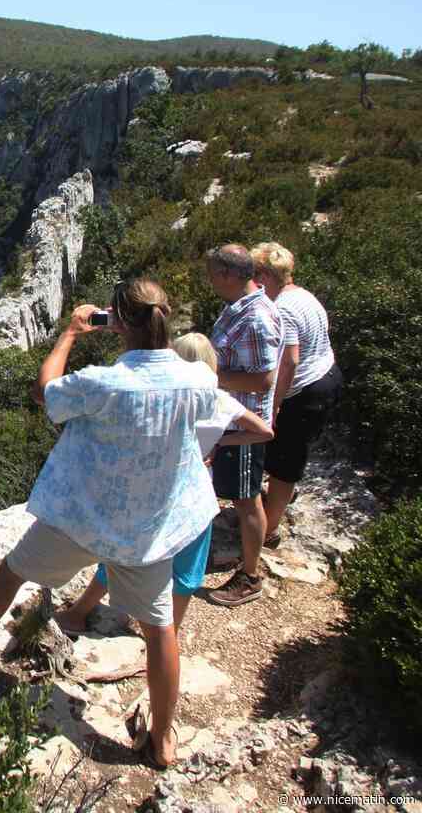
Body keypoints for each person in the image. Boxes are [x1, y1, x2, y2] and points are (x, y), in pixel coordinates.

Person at [0, 279, 219, 770]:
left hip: (83, 517)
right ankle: (163, 739)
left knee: (12, 573)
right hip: (148, 530)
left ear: (117, 322)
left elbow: (45, 392)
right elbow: (202, 403)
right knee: (159, 629)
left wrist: (70, 334)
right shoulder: (197, 380)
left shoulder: (102, 383)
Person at [54, 333, 274, 636]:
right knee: (185, 573)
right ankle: (168, 639)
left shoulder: (164, 399)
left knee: (121, 559)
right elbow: (264, 432)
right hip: (196, 503)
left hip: (152, 495)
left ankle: (77, 614)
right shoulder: (218, 400)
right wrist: (221, 442)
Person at [203, 245, 281, 608]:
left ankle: (250, 576)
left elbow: (264, 381)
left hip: (244, 424)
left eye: (213, 274)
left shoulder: (256, 319)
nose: (210, 281)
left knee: (247, 500)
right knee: (240, 494)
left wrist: (210, 376)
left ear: (229, 275)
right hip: (232, 419)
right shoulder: (239, 308)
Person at [250, 242, 342, 544]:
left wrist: (274, 404)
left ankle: (269, 530)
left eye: (254, 275)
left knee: (285, 463)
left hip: (304, 392)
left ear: (265, 276)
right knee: (288, 453)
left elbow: (289, 360)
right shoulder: (303, 295)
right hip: (325, 376)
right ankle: (277, 499)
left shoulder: (282, 308)